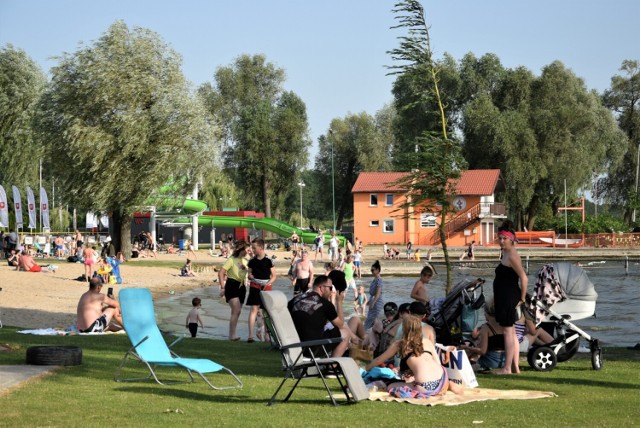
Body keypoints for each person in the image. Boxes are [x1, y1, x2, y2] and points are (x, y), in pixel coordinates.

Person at [366, 316, 463, 397]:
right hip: (442, 379)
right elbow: (438, 363)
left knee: (391, 386)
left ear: (404, 329)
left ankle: (429, 387)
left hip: (425, 386)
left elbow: (378, 360)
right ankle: (448, 384)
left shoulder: (400, 344)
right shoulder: (427, 341)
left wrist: (366, 368)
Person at [288, 275, 360, 357]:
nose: (331, 291)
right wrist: (339, 301)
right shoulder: (325, 304)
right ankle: (333, 365)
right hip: (313, 348)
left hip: (295, 347)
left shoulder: (294, 301)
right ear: (321, 288)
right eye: (330, 288)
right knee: (345, 332)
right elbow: (340, 325)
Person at [493, 220, 527, 374]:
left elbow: (524, 278)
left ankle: (507, 367)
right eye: (499, 238)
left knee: (508, 332)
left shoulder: (512, 255)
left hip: (509, 297)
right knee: (511, 332)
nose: (501, 241)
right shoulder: (505, 253)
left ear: (511, 239)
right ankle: (515, 367)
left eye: (504, 239)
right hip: (504, 296)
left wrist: (523, 298)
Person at [460, 300, 506, 371]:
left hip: (490, 362)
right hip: (504, 361)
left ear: (488, 313)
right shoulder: (505, 325)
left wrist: (466, 347)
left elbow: (482, 351)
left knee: (464, 364)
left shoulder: (486, 327)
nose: (484, 314)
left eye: (484, 312)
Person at [246, 238, 276, 343]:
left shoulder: (268, 261)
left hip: (266, 287)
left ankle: (267, 335)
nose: (252, 250)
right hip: (255, 286)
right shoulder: (252, 261)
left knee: (266, 312)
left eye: (254, 248)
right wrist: (250, 276)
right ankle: (250, 336)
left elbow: (274, 276)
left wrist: (268, 283)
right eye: (252, 248)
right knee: (254, 309)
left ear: (261, 247)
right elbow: (249, 274)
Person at [218, 241, 249, 341]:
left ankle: (233, 334)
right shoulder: (231, 259)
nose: (248, 251)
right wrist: (223, 287)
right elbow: (221, 273)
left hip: (242, 286)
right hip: (232, 285)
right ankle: (232, 335)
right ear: (241, 250)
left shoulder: (246, 260)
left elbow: (250, 271)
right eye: (247, 250)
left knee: (237, 312)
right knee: (236, 310)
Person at [365, 260, 384, 330]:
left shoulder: (379, 280)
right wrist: (370, 301)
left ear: (378, 270)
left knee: (373, 319)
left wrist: (373, 302)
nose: (371, 272)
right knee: (371, 319)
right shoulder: (375, 279)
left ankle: (368, 333)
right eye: (371, 270)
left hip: (377, 302)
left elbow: (378, 293)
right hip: (374, 300)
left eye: (373, 270)